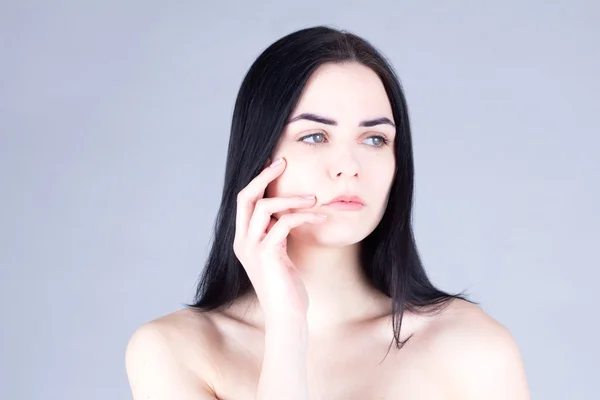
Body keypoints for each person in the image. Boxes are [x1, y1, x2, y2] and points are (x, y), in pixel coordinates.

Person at [125, 25, 530, 399]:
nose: (349, 166)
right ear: (258, 155)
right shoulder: (175, 350)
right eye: (315, 136)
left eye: (374, 139)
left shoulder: (471, 347)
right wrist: (288, 327)